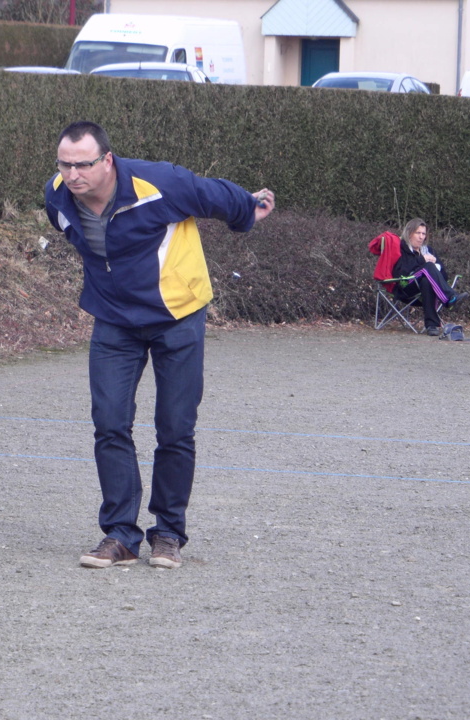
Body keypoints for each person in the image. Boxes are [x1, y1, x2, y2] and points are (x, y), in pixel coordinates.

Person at [44, 121, 275, 569]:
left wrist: (248, 210)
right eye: (65, 164)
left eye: (83, 165)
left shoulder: (158, 184)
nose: (73, 175)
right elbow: (81, 238)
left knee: (175, 427)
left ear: (107, 161)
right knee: (109, 422)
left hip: (178, 315)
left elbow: (212, 194)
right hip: (114, 321)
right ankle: (120, 536)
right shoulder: (56, 196)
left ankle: (168, 532)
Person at [392, 218, 467, 336]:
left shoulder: (428, 250)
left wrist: (437, 264)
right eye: (418, 233)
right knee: (428, 266)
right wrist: (423, 260)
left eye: (423, 234)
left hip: (423, 289)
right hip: (406, 285)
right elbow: (400, 272)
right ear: (409, 233)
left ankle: (432, 325)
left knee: (427, 280)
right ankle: (449, 298)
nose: (421, 237)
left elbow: (444, 276)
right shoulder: (401, 249)